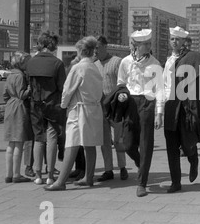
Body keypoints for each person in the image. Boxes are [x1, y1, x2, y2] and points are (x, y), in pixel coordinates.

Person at [45, 37, 104, 191]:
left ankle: (61, 181)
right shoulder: (94, 67)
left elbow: (67, 89)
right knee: (90, 144)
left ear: (82, 51)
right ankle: (88, 177)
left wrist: (63, 106)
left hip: (79, 109)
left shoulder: (78, 67)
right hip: (93, 108)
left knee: (71, 144)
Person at [161, 26, 200, 193]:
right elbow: (164, 85)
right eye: (172, 39)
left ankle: (193, 159)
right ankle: (175, 181)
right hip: (170, 106)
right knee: (171, 145)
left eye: (177, 39)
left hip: (185, 107)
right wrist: (160, 110)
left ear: (184, 41)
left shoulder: (192, 58)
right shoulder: (169, 60)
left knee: (187, 140)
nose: (174, 42)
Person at [117, 29, 164, 197]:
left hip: (147, 104)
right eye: (146, 44)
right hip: (130, 103)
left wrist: (159, 113)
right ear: (137, 46)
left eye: (150, 43)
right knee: (127, 144)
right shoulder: (125, 62)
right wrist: (121, 94)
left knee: (145, 144)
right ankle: (139, 162)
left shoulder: (155, 64)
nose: (150, 46)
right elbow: (121, 83)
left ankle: (142, 182)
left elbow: (159, 89)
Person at [26, 32, 66, 185]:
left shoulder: (30, 62)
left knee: (38, 139)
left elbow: (29, 83)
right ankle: (50, 173)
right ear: (52, 45)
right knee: (51, 139)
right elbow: (62, 87)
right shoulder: (57, 63)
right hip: (52, 105)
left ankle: (37, 175)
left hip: (35, 105)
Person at [94, 36, 129, 182]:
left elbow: (124, 84)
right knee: (104, 141)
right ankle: (108, 169)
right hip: (100, 107)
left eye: (97, 47)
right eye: (93, 48)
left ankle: (122, 167)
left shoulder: (116, 62)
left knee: (118, 139)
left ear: (104, 46)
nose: (95, 50)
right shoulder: (94, 65)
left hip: (115, 106)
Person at [3, 51, 33, 183]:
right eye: (26, 61)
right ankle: (16, 174)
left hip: (10, 106)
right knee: (19, 142)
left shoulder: (10, 75)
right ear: (21, 62)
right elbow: (22, 95)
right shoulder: (21, 76)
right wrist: (30, 89)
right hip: (19, 108)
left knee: (11, 143)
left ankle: (8, 174)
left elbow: (5, 94)